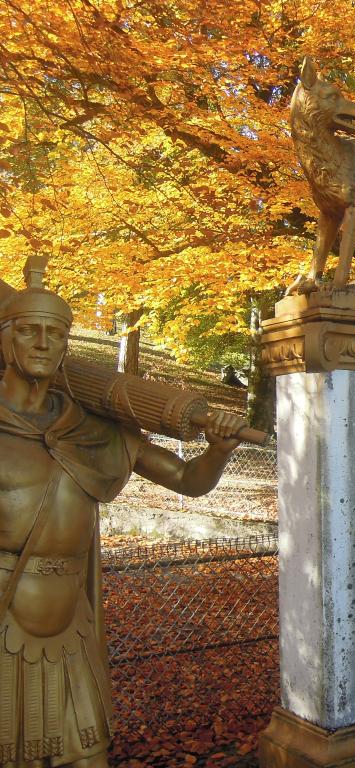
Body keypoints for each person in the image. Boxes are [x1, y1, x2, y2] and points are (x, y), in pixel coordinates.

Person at [0, 258, 247, 767]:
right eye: (29, 331)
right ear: (6, 340)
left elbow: (186, 481)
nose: (43, 343)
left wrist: (218, 450)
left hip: (71, 626)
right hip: (4, 615)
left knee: (87, 757)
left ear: (68, 346)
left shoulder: (95, 428)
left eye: (55, 333)